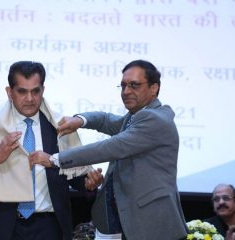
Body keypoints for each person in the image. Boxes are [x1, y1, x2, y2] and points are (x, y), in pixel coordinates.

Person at [29, 59, 189, 240]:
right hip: (129, 223)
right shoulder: (136, 116)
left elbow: (110, 147)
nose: (126, 91)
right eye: (123, 86)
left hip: (152, 224)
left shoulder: (153, 119)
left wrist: (53, 159)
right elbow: (105, 120)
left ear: (154, 88)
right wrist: (80, 120)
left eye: (134, 85)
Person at [0, 61, 102, 240]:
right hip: (2, 227)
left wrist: (89, 184)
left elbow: (75, 176)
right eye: (22, 91)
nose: (30, 98)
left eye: (35, 91)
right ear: (9, 92)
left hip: (49, 226)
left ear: (43, 90)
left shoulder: (58, 126)